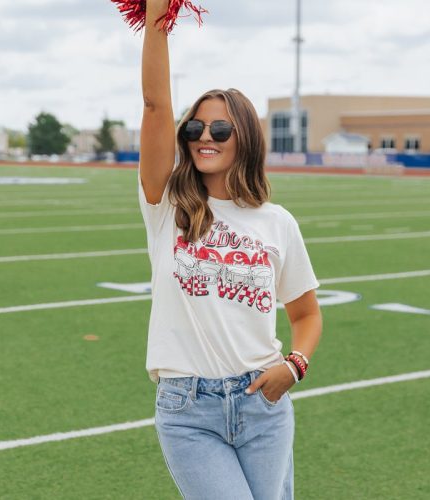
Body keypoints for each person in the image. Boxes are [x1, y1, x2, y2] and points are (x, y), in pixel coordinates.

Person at [138, 1, 323, 498]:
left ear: (245, 138)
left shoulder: (277, 223)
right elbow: (155, 105)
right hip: (187, 410)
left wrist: (295, 365)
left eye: (220, 129)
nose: (204, 137)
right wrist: (158, 17)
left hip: (263, 402)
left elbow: (306, 314)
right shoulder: (168, 206)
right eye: (195, 128)